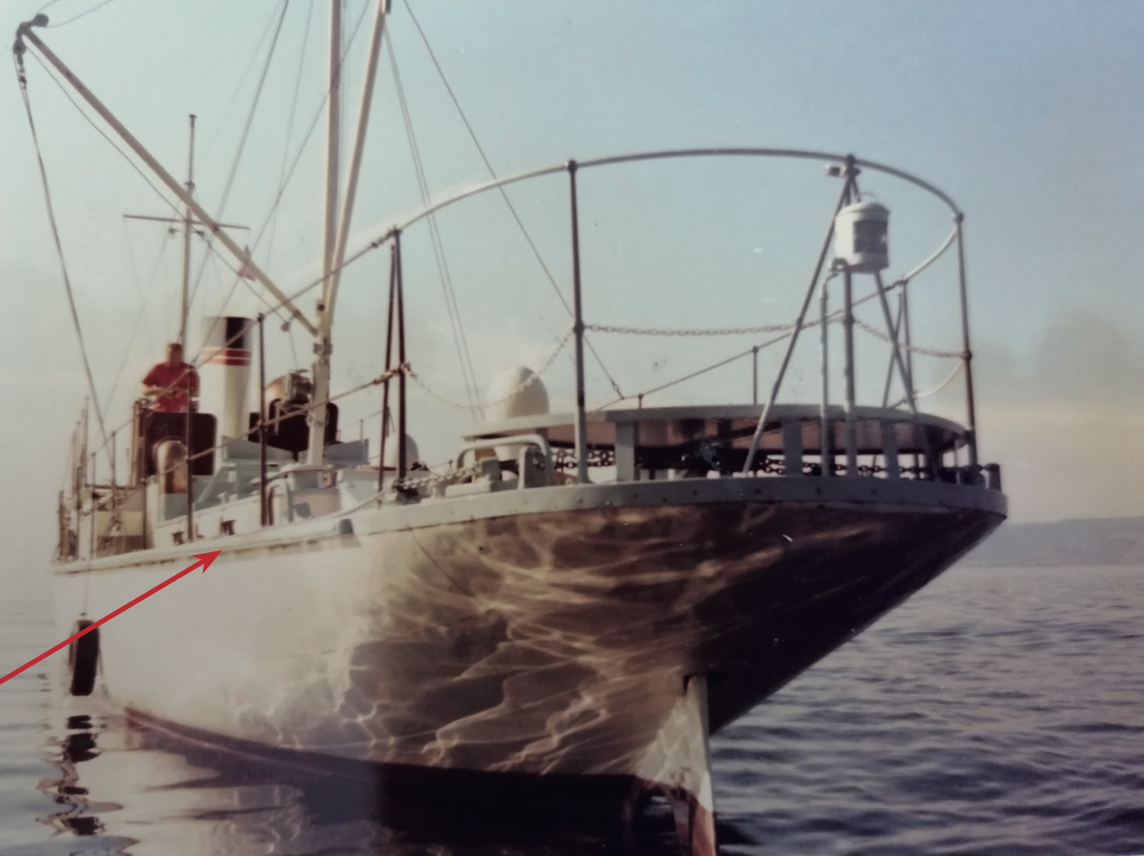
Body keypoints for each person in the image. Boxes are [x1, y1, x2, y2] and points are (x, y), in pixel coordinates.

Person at [142, 343, 198, 412]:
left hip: (183, 412)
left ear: (181, 356)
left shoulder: (189, 370)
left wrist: (183, 391)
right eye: (171, 358)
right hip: (161, 411)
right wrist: (159, 390)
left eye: (177, 358)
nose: (174, 361)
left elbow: (198, 393)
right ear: (166, 356)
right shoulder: (158, 368)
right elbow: (144, 391)